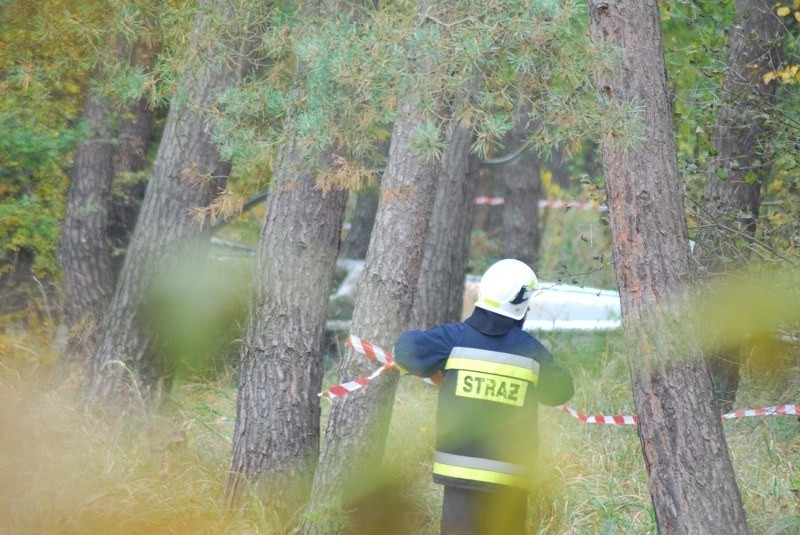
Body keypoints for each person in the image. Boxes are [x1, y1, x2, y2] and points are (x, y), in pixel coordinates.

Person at [394, 259, 574, 535]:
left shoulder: (452, 339)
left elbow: (405, 350)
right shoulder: (532, 352)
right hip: (511, 478)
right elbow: (562, 391)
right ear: (522, 304)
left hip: (459, 476)